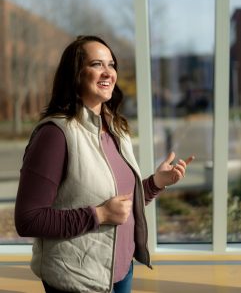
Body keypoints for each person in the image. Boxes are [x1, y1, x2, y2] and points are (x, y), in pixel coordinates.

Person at [14, 35, 194, 293]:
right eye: (97, 64)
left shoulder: (116, 129)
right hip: (77, 279)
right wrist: (99, 215)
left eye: (111, 64)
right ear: (75, 74)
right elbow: (27, 220)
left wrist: (155, 183)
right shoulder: (55, 135)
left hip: (120, 270)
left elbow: (119, 204)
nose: (108, 72)